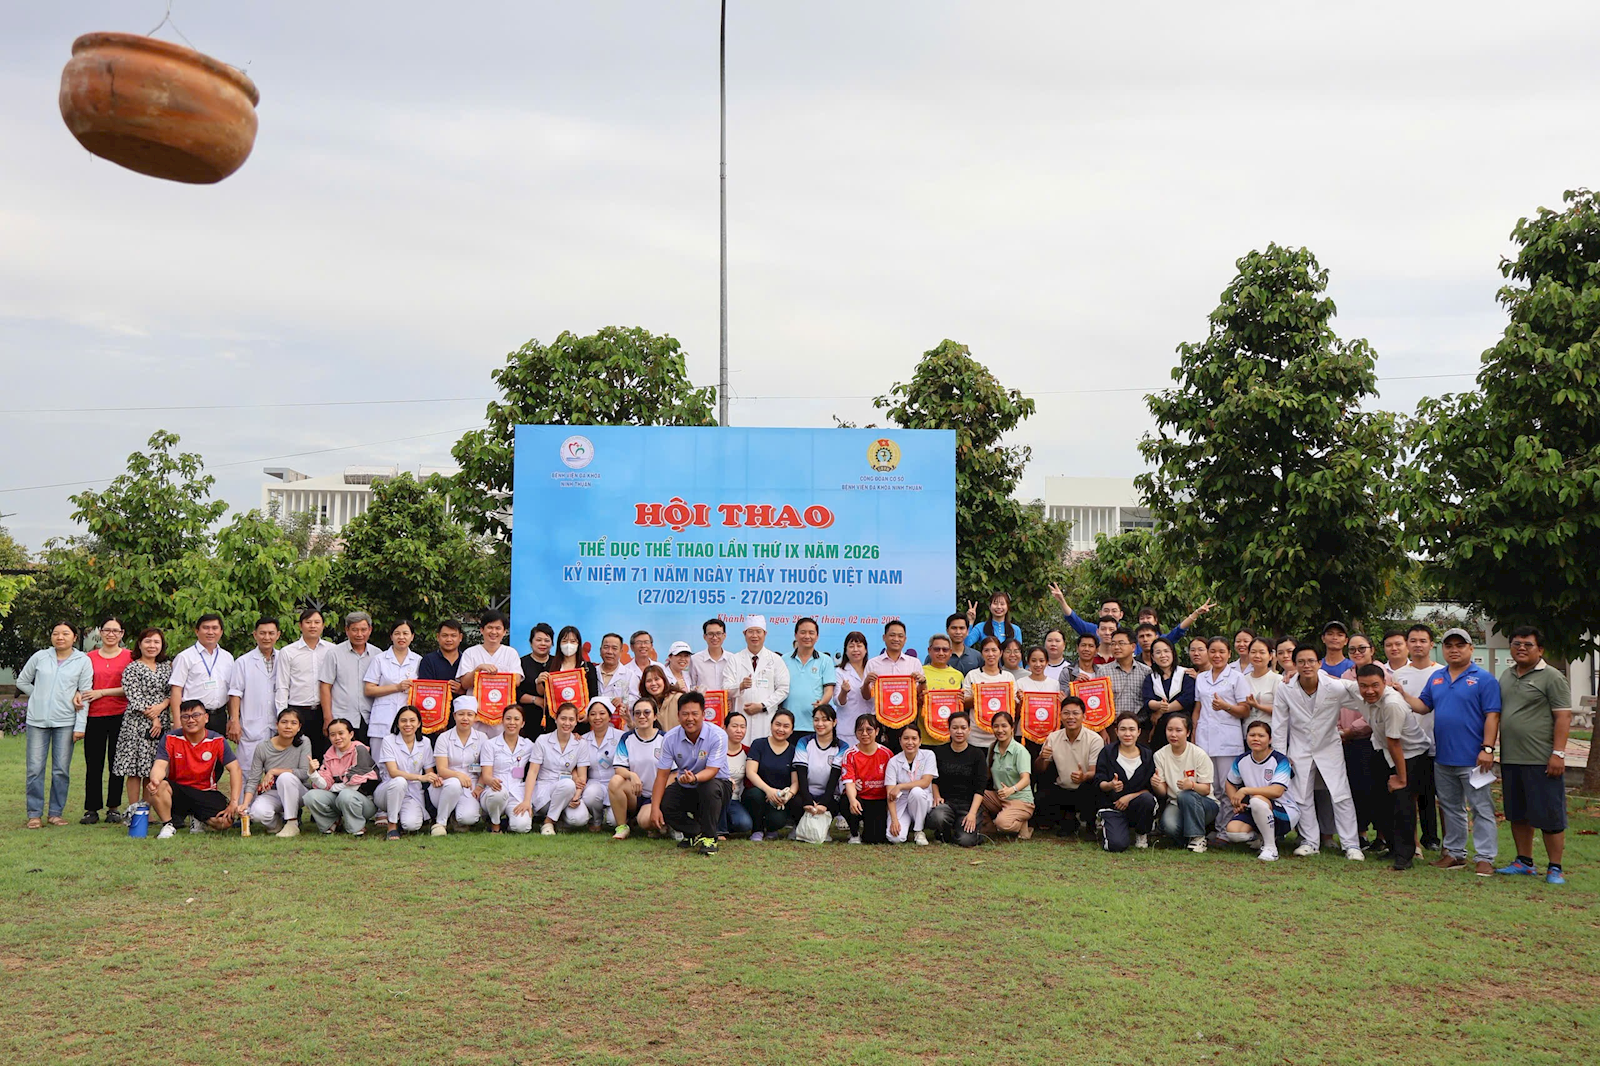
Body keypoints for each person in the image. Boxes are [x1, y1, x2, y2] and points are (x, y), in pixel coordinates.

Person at [1391, 628, 1501, 875]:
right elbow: (1423, 706)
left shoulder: (1484, 679)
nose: (1454, 650)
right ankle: (1455, 854)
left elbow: (1492, 715)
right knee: (1451, 808)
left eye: (1460, 645)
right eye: (1449, 645)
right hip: (1443, 757)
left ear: (1471, 649)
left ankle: (1485, 857)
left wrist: (1487, 748)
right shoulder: (1437, 678)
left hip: (1474, 759)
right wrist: (1403, 695)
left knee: (1481, 808)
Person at [1493, 626, 1571, 884]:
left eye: (1528, 644)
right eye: (1516, 644)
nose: (1521, 648)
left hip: (1541, 759)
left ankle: (1555, 868)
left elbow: (1563, 717)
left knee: (1550, 815)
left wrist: (1558, 753)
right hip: (1511, 758)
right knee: (1518, 813)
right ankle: (1524, 862)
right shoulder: (1506, 676)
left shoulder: (1552, 677)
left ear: (1540, 650)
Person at [1332, 665, 1429, 871]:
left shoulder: (1392, 703)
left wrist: (1401, 779)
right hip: (1382, 749)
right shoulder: (1358, 690)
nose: (1369, 691)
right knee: (1380, 799)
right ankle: (1392, 847)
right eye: (1364, 686)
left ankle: (1405, 856)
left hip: (1410, 753)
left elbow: (1395, 742)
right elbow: (1336, 681)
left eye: (1375, 685)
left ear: (1385, 683)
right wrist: (1296, 674)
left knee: (1403, 801)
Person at [1273, 643, 1364, 860]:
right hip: (1299, 747)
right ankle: (1310, 842)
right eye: (1301, 662)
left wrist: (1342, 681)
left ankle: (1351, 845)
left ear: (1319, 663)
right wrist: (1280, 756)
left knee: (1340, 795)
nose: (1306, 666)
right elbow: (1279, 724)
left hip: (1329, 746)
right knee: (1301, 795)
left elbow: (1359, 696)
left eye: (1311, 661)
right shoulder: (1285, 688)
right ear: (1294, 664)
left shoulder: (1334, 686)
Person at [18, 621, 93, 828]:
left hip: (66, 722)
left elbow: (85, 694)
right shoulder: (40, 656)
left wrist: (80, 726)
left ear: (74, 637)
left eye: (65, 633)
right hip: (37, 721)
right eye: (56, 633)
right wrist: (38, 695)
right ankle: (34, 814)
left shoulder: (83, 660)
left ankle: (55, 813)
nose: (60, 637)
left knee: (61, 770)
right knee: (34, 769)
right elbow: (22, 681)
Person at [649, 691, 732, 856]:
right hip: (686, 784)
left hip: (717, 785)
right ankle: (695, 832)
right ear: (678, 715)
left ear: (703, 714)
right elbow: (662, 775)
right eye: (685, 714)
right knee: (667, 802)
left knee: (708, 788)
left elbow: (712, 771)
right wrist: (654, 808)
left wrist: (694, 778)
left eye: (695, 714)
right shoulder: (670, 738)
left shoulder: (718, 735)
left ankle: (710, 838)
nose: (690, 718)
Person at [148, 699, 242, 838]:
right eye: (185, 717)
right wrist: (155, 780)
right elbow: (160, 765)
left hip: (205, 791)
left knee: (224, 822)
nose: (191, 720)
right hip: (178, 791)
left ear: (206, 718)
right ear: (180, 719)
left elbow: (235, 769)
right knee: (159, 786)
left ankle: (198, 818)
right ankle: (168, 825)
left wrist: (234, 802)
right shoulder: (170, 738)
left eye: (196, 715)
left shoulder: (217, 740)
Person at [112, 628, 174, 814]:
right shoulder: (132, 668)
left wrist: (161, 708)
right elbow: (134, 697)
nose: (152, 645)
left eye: (156, 642)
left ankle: (146, 811)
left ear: (162, 645)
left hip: (161, 721)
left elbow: (172, 692)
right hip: (137, 723)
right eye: (147, 641)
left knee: (151, 768)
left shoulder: (167, 667)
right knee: (134, 769)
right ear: (140, 644)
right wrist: (154, 717)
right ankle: (134, 811)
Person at [1394, 624, 1443, 851]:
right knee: (1411, 795)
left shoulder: (1442, 672)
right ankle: (1413, 844)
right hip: (1410, 745)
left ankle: (1441, 842)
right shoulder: (1399, 674)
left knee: (1439, 797)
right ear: (1407, 644)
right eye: (1413, 640)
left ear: (1431, 644)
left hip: (1438, 743)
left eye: (1423, 640)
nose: (1418, 645)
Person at [79, 616, 132, 825]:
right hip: (94, 716)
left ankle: (113, 808)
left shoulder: (130, 656)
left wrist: (102, 692)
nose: (111, 634)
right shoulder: (88, 657)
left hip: (121, 715)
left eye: (115, 631)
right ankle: (91, 809)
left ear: (122, 634)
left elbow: (131, 687)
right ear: (100, 632)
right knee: (94, 763)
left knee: (116, 764)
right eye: (107, 630)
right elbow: (81, 683)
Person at [1194, 636, 1250, 829]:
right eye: (1213, 651)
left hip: (1228, 739)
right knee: (1210, 786)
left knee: (1227, 787)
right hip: (1204, 737)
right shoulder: (1201, 677)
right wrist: (1194, 733)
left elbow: (1245, 710)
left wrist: (1226, 706)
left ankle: (1225, 829)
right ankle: (1213, 827)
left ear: (1229, 654)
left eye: (1221, 652)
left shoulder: (1237, 677)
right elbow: (1198, 709)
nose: (1217, 655)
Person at [1222, 720, 1297, 861]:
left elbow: (1277, 791)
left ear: (1270, 739)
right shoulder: (1241, 760)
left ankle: (1271, 848)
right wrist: (1236, 802)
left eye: (1261, 736)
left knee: (1257, 800)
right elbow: (1230, 783)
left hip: (1284, 812)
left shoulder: (1280, 760)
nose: (1256, 739)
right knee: (1234, 833)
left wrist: (1245, 790)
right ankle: (1261, 837)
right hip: (1255, 808)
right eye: (1252, 735)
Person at [1034, 695, 1104, 838]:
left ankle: (1090, 823)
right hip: (1063, 788)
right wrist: (1042, 757)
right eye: (1066, 713)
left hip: (1085, 788)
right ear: (1060, 716)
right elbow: (1040, 769)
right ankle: (1068, 820)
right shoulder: (1053, 737)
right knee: (1041, 797)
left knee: (1092, 787)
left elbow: (1094, 772)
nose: (1070, 717)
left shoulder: (1095, 739)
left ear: (1084, 716)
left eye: (1075, 713)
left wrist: (1084, 776)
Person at [226, 616, 281, 786]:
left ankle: (272, 803)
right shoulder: (243, 662)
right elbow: (235, 693)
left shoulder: (284, 658)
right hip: (251, 726)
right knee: (247, 772)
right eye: (262, 633)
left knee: (277, 773)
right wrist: (234, 721)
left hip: (278, 726)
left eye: (271, 633)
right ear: (255, 635)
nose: (267, 637)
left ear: (278, 635)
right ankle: (243, 803)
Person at [242, 708, 312, 837]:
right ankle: (276, 824)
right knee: (257, 813)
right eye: (284, 722)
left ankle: (292, 823)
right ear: (277, 725)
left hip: (299, 791)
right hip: (274, 792)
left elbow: (304, 773)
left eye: (293, 723)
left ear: (299, 727)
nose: (288, 726)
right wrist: (245, 805)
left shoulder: (304, 742)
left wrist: (274, 771)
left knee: (285, 777)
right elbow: (253, 779)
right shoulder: (263, 747)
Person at [303, 717, 379, 836]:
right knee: (310, 796)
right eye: (333, 735)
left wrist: (333, 788)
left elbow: (355, 784)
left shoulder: (359, 750)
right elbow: (325, 784)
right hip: (340, 799)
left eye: (341, 733)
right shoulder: (329, 755)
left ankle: (356, 827)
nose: (337, 738)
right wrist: (313, 773)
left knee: (346, 794)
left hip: (363, 802)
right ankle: (331, 823)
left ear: (351, 734)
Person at [1152, 714, 1216, 851]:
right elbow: (1163, 792)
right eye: (1169, 730)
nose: (1173, 734)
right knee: (1169, 826)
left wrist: (1192, 785)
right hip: (1175, 803)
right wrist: (1156, 784)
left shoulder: (1199, 754)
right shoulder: (1159, 755)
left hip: (1204, 803)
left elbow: (1206, 789)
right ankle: (1187, 839)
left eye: (1178, 730)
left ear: (1188, 732)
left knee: (1185, 795)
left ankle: (1198, 838)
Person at [527, 702, 593, 835]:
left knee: (580, 819)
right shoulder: (542, 740)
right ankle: (549, 822)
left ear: (576, 722)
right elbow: (533, 772)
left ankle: (556, 818)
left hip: (568, 792)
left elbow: (582, 777)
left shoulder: (581, 744)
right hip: (545, 790)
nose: (567, 723)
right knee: (567, 784)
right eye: (563, 718)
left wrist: (576, 796)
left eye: (571, 719)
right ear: (556, 719)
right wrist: (527, 800)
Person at [362, 619, 421, 767]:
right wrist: (397, 687)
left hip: (408, 718)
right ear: (391, 636)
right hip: (384, 717)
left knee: (406, 762)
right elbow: (369, 689)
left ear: (412, 636)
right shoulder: (380, 659)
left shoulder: (418, 660)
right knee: (379, 762)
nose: (401, 637)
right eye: (397, 633)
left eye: (405, 633)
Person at [1094, 713, 1156, 850]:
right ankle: (1107, 824)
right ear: (1116, 731)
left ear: (1139, 732)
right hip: (1113, 806)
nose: (1127, 734)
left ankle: (1142, 833)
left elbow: (1150, 789)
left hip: (1137, 806)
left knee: (1147, 799)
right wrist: (1110, 785)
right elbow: (1099, 782)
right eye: (1123, 729)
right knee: (1116, 845)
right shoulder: (1107, 752)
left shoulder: (1147, 755)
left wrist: (1129, 797)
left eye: (1132, 729)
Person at [277, 608, 334, 757]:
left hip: (324, 711)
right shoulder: (288, 652)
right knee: (297, 755)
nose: (313, 626)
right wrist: (283, 716)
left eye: (317, 622)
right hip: (298, 711)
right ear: (300, 625)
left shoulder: (332, 650)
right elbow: (282, 686)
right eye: (308, 622)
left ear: (323, 625)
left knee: (323, 754)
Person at [725, 615, 790, 742]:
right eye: (750, 631)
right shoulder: (735, 659)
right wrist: (740, 686)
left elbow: (783, 689)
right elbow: (726, 688)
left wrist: (763, 706)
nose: (754, 636)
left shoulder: (775, 660)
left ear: (765, 634)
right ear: (744, 634)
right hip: (740, 718)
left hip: (765, 719)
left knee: (763, 748)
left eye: (758, 632)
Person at [927, 711, 988, 847]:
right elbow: (934, 779)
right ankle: (946, 831)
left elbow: (980, 788)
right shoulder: (939, 752)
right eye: (955, 728)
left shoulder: (977, 754)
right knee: (937, 817)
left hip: (968, 806)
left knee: (965, 841)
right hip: (947, 804)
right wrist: (936, 796)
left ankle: (968, 831)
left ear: (969, 730)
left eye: (963, 728)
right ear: (949, 730)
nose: (959, 731)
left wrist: (972, 814)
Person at [610, 696, 667, 839]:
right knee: (615, 781)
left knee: (645, 822)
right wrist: (632, 775)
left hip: (656, 796)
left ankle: (661, 822)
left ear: (655, 716)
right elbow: (619, 768)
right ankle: (622, 827)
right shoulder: (627, 738)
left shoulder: (665, 739)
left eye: (646, 712)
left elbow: (673, 773)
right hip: (635, 793)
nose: (642, 716)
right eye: (637, 713)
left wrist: (658, 796)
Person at [377, 706, 438, 840]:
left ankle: (401, 820)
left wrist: (435, 779)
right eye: (403, 721)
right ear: (397, 723)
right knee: (399, 781)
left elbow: (429, 771)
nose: (408, 724)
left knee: (412, 825)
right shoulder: (389, 740)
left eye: (412, 720)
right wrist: (420, 777)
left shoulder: (425, 742)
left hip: (412, 793)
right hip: (388, 790)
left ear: (419, 723)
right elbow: (393, 772)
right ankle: (392, 826)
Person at [168, 614, 234, 736]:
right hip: (192, 718)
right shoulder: (185, 657)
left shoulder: (227, 657)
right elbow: (176, 690)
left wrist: (232, 718)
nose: (210, 632)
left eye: (215, 628)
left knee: (217, 748)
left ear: (221, 632)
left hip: (219, 716)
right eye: (206, 628)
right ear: (197, 631)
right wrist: (177, 722)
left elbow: (231, 690)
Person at [430, 696, 486, 834]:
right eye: (461, 714)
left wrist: (479, 786)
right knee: (454, 783)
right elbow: (441, 769)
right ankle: (440, 823)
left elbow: (485, 767)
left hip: (471, 785)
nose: (465, 718)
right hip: (446, 783)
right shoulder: (444, 738)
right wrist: (458, 775)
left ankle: (455, 817)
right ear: (454, 716)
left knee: (469, 818)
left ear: (475, 717)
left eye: (469, 714)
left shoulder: (482, 738)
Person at [742, 708, 801, 840]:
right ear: (771, 725)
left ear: (792, 730)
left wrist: (787, 796)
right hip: (758, 792)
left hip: (780, 797)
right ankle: (757, 829)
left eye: (786, 726)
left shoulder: (793, 751)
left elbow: (795, 782)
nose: (781, 729)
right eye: (777, 724)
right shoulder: (759, 744)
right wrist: (768, 790)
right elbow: (750, 772)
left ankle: (771, 828)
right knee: (755, 795)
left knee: (777, 820)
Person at [319, 611, 375, 744]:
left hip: (369, 718)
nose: (359, 634)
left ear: (370, 630)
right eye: (354, 630)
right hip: (341, 719)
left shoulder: (377, 654)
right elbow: (325, 686)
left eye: (363, 630)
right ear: (347, 630)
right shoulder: (334, 653)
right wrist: (327, 718)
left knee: (366, 755)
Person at [479, 705, 536, 833]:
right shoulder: (490, 744)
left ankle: (508, 823)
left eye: (516, 719)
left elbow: (546, 748)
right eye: (508, 718)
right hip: (494, 792)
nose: (512, 722)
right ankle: (495, 824)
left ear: (523, 723)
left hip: (517, 792)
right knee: (498, 794)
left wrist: (574, 736)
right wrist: (491, 781)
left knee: (522, 827)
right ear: (502, 721)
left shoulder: (528, 745)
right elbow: (486, 775)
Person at [981, 711, 1035, 839]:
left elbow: (1026, 779)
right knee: (975, 795)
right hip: (999, 797)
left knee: (1002, 824)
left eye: (1004, 726)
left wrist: (1011, 790)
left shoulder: (1020, 750)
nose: (1000, 730)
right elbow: (987, 775)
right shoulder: (992, 748)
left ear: (1012, 728)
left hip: (1020, 799)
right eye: (996, 726)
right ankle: (989, 826)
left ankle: (1022, 826)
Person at [841, 714, 892, 844]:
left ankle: (869, 826)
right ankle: (854, 832)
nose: (864, 734)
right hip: (860, 798)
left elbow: (891, 783)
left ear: (877, 731)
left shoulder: (887, 754)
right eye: (860, 730)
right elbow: (849, 782)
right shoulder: (850, 754)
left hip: (878, 800)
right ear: (855, 733)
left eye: (869, 730)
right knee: (845, 800)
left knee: (874, 839)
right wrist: (852, 800)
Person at [782, 617, 836, 738]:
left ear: (817, 636)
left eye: (811, 633)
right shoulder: (784, 660)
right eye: (803, 632)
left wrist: (821, 704)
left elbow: (829, 690)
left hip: (814, 724)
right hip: (788, 725)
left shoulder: (825, 660)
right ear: (795, 635)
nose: (807, 636)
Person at [794, 705, 846, 827]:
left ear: (834, 722)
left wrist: (824, 803)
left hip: (829, 794)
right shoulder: (804, 742)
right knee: (796, 802)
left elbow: (834, 778)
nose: (820, 724)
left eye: (825, 720)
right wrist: (807, 800)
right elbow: (801, 774)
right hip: (806, 792)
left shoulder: (842, 747)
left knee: (839, 803)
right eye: (816, 720)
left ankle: (824, 829)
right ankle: (798, 827)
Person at [1096, 629, 1154, 738]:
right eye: (1113, 644)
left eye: (1121, 643)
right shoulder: (1103, 671)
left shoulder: (1146, 671)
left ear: (1133, 647)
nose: (1116, 647)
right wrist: (1102, 730)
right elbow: (1100, 703)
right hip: (1113, 728)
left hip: (1140, 728)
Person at [886, 724, 936, 845]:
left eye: (914, 738)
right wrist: (894, 820)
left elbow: (925, 782)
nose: (910, 742)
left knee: (916, 791)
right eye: (906, 738)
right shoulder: (893, 762)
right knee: (895, 838)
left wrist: (900, 786)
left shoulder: (928, 755)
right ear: (900, 741)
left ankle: (918, 831)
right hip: (901, 802)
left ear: (920, 741)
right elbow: (890, 794)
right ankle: (906, 826)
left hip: (921, 799)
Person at [1140, 637, 1195, 743]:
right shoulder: (1150, 678)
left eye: (1166, 651)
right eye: (1158, 652)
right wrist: (1158, 705)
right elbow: (1147, 701)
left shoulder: (1185, 674)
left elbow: (1187, 698)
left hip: (1182, 727)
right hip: (1160, 729)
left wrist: (1162, 710)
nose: (1163, 655)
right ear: (1153, 657)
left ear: (1173, 653)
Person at [961, 635, 1010, 750]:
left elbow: (1012, 707)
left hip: (1001, 737)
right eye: (986, 650)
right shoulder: (972, 675)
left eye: (994, 650)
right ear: (982, 654)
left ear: (1000, 653)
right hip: (976, 737)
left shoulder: (1008, 677)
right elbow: (964, 704)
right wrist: (981, 696)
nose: (990, 654)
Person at [579, 696, 622, 827]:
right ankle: (596, 819)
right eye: (593, 714)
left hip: (616, 783)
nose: (597, 717)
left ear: (609, 717)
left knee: (614, 821)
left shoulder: (621, 737)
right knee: (590, 795)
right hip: (594, 783)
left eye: (602, 713)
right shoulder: (582, 740)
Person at [546, 625, 601, 718]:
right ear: (559, 644)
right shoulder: (551, 666)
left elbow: (594, 695)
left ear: (578, 644)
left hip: (581, 719)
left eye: (573, 641)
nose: (568, 645)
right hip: (557, 719)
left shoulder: (587, 668)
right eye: (564, 641)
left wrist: (587, 715)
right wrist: (539, 682)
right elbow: (546, 694)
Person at [516, 622, 556, 738]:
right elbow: (515, 692)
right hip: (528, 717)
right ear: (531, 642)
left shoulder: (557, 663)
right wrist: (535, 700)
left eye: (547, 640)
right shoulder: (521, 663)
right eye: (538, 640)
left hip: (554, 719)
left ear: (552, 643)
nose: (543, 643)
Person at [833, 630, 873, 741]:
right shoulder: (839, 672)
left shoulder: (872, 669)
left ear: (865, 649)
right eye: (851, 646)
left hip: (870, 729)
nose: (855, 650)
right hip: (848, 729)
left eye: (859, 646)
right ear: (845, 651)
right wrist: (843, 692)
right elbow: (838, 701)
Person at [719, 709, 752, 838]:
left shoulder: (748, 752)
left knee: (744, 824)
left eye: (742, 727)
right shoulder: (717, 749)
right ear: (725, 728)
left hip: (734, 800)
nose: (739, 730)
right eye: (734, 726)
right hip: (716, 798)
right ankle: (717, 829)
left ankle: (719, 825)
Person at [595, 633, 639, 723]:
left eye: (614, 648)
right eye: (606, 647)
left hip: (619, 725)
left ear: (621, 652)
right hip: (595, 723)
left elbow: (637, 698)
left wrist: (623, 700)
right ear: (600, 650)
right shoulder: (592, 672)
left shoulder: (630, 675)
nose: (609, 652)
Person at [1241, 637, 1278, 732]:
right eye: (1253, 652)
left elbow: (1282, 711)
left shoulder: (1277, 680)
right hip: (1247, 734)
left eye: (1262, 652)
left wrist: (1257, 706)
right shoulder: (1242, 679)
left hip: (1269, 734)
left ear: (1270, 656)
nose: (1257, 656)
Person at [689, 618, 734, 692]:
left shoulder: (732, 659)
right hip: (703, 699)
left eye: (718, 633)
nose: (715, 637)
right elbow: (691, 685)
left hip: (727, 699)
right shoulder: (695, 659)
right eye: (710, 634)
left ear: (724, 635)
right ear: (704, 637)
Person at [640, 664, 681, 733]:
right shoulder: (644, 705)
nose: (653, 683)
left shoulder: (678, 699)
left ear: (664, 680)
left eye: (656, 679)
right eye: (649, 681)